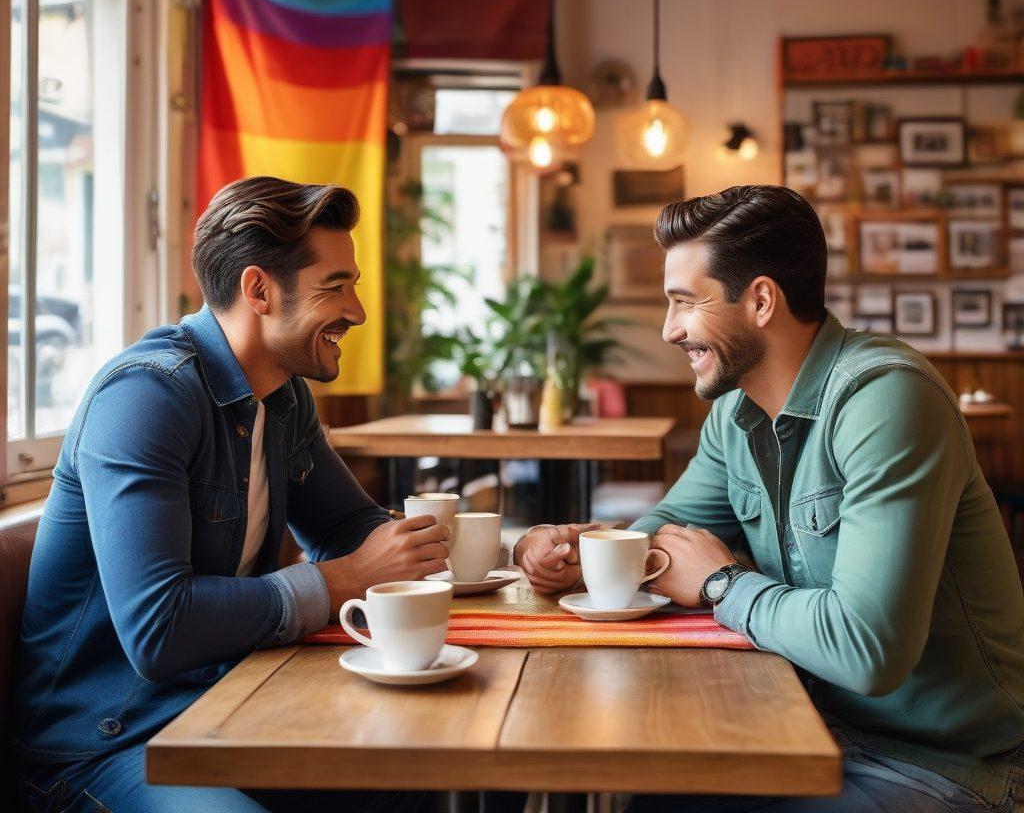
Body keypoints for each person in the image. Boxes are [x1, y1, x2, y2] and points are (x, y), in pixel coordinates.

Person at [514, 185, 1024, 813]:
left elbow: (868, 653)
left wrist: (722, 585)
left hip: (941, 764)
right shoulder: (734, 411)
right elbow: (668, 533)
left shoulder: (886, 400)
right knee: (645, 799)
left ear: (760, 300)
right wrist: (576, 548)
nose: (669, 330)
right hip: (802, 725)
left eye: (684, 302)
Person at [11, 176, 447, 812]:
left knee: (417, 771)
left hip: (225, 701)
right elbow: (159, 630)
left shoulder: (282, 393)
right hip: (104, 745)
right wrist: (341, 582)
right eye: (336, 286)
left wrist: (457, 550)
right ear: (259, 290)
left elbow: (346, 523)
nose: (356, 311)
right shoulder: (146, 397)